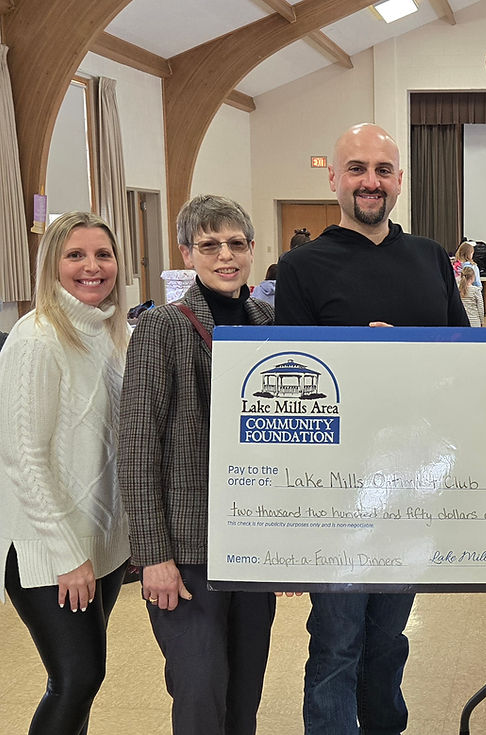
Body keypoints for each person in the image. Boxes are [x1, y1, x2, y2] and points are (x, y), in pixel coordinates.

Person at [276, 123, 469, 734]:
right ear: (333, 178)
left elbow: (465, 362)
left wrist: (411, 359)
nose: (370, 181)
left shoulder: (431, 258)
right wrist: (358, 359)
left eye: (383, 170)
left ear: (399, 181)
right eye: (356, 168)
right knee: (336, 641)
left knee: (389, 641)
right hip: (339, 489)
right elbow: (292, 390)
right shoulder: (301, 268)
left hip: (416, 485)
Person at [118, 195, 277, 735]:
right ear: (188, 254)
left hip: (251, 548)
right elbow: (139, 448)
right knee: (199, 690)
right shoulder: (161, 328)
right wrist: (153, 556)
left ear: (253, 249)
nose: (224, 256)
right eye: (210, 245)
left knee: (245, 692)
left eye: (236, 243)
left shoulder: (269, 322)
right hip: (185, 552)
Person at [0, 211, 131, 734]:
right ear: (51, 264)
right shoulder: (36, 340)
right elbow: (23, 458)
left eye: (102, 254)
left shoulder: (114, 334)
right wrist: (66, 554)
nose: (91, 267)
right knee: (76, 679)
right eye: (75, 255)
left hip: (102, 546)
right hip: (51, 553)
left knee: (84, 684)